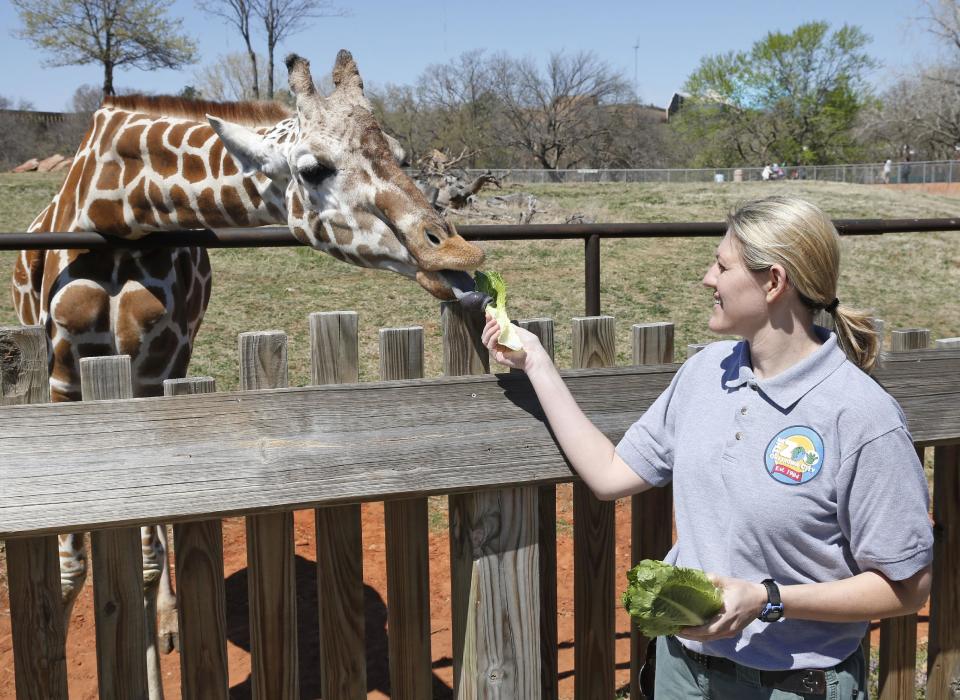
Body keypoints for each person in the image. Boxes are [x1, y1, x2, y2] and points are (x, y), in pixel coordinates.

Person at [482, 195, 932, 699]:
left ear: (774, 282)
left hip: (792, 686)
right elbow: (610, 474)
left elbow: (909, 587)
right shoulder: (705, 373)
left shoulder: (861, 416)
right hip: (682, 672)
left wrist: (769, 599)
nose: (707, 278)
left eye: (722, 265)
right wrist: (536, 363)